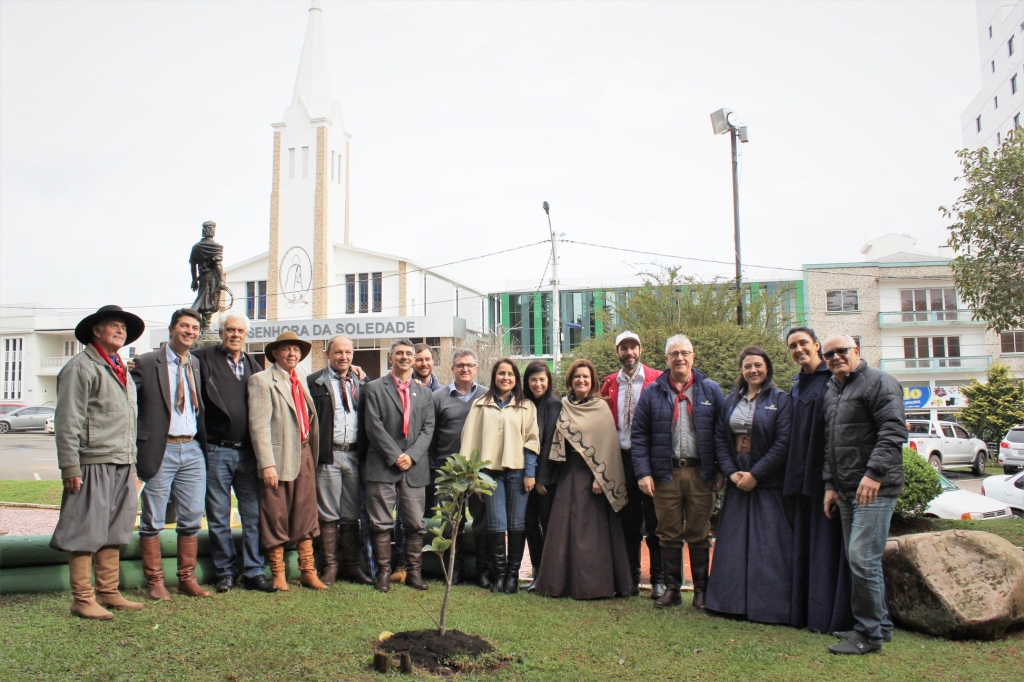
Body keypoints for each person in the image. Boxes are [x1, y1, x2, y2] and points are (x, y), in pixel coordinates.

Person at [50, 305, 146, 619]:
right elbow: (67, 421)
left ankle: (108, 592)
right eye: (114, 326)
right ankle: (82, 598)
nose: (120, 331)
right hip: (92, 461)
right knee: (85, 529)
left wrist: (131, 462)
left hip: (121, 461)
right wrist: (70, 466)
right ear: (97, 331)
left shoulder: (121, 369)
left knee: (115, 529)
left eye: (123, 328)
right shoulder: (82, 367)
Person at [822, 334, 907, 655]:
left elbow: (894, 430)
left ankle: (868, 635)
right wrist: (830, 485)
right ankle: (880, 627)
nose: (835, 358)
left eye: (841, 351)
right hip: (845, 490)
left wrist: (874, 475)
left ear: (857, 351)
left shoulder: (880, 382)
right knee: (859, 559)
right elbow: (831, 443)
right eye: (828, 354)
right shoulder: (833, 390)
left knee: (863, 559)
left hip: (875, 489)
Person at [631, 334, 725, 610]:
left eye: (685, 353)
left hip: (701, 473)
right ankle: (672, 589)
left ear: (693, 357)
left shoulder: (711, 390)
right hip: (666, 474)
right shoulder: (652, 392)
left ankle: (701, 591)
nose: (680, 358)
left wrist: (720, 469)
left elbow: (722, 433)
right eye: (674, 353)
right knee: (668, 532)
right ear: (666, 359)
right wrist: (643, 473)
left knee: (699, 532)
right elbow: (639, 436)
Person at [705, 346, 793, 623]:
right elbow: (720, 439)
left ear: (767, 367)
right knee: (733, 546)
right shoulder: (731, 401)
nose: (753, 370)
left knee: (767, 547)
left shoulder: (781, 400)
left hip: (766, 485)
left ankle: (768, 608)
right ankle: (728, 603)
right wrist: (731, 473)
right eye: (747, 366)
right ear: (741, 370)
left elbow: (783, 443)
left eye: (758, 365)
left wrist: (756, 475)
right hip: (736, 483)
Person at [192, 314, 277, 594]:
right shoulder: (202, 359)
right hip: (217, 450)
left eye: (240, 330)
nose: (235, 335)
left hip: (248, 453)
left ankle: (253, 571)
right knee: (218, 514)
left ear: (246, 335)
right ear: (221, 333)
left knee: (252, 515)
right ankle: (224, 571)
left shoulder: (254, 366)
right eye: (230, 330)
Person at [533, 359, 631, 600]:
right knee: (563, 531)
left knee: (591, 534)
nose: (581, 380)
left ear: (593, 380)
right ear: (570, 380)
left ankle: (593, 585)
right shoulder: (563, 405)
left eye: (586, 377)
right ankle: (560, 583)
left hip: (593, 477)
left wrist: (601, 478)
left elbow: (608, 446)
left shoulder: (600, 408)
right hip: (568, 474)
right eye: (577, 377)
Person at [132, 308, 211, 600]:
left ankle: (186, 579)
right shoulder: (146, 363)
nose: (189, 331)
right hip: (159, 449)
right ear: (171, 329)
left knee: (191, 517)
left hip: (192, 449)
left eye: (194, 328)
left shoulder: (197, 364)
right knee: (153, 518)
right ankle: (155, 582)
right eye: (184, 326)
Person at [782, 326, 853, 633]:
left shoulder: (834, 382)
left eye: (803, 343)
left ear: (816, 345)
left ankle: (830, 617)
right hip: (800, 477)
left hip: (824, 478)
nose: (798, 349)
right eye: (792, 346)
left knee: (827, 548)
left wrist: (831, 482)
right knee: (805, 547)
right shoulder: (797, 383)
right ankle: (805, 613)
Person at [248, 331, 326, 591]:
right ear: (275, 353)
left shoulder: (301, 377)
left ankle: (307, 569)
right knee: (276, 512)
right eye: (287, 350)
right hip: (277, 458)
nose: (292, 354)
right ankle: (278, 572)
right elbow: (258, 426)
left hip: (303, 452)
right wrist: (266, 464)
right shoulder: (261, 381)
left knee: (305, 511)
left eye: (296, 350)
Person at [459, 359, 540, 594]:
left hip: (518, 473)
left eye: (510, 374)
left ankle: (512, 577)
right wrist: (473, 478)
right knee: (496, 524)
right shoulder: (480, 405)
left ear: (516, 378)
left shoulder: (526, 407)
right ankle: (499, 574)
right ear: (494, 377)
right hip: (489, 475)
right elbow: (469, 443)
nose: (506, 378)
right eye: (501, 374)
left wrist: (530, 473)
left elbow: (532, 441)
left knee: (516, 523)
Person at [363, 338, 435, 592]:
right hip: (382, 466)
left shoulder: (425, 393)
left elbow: (428, 430)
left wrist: (412, 455)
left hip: (414, 468)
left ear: (414, 359)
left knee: (415, 523)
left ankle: (414, 572)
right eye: (399, 353)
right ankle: (383, 573)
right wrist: (395, 455)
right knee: (381, 522)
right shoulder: (373, 389)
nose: (405, 357)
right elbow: (373, 427)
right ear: (390, 358)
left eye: (409, 354)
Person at [599, 330, 665, 599]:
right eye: (623, 348)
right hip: (622, 458)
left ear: (641, 350)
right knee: (629, 522)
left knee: (655, 522)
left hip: (650, 459)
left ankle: (659, 579)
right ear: (617, 352)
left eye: (633, 347)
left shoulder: (657, 380)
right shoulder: (609, 383)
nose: (629, 352)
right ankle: (631, 579)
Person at [306, 334, 372, 586]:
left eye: (348, 353)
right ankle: (331, 566)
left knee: (350, 513)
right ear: (327, 354)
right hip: (328, 455)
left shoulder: (363, 382)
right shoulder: (314, 382)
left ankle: (353, 566)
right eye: (338, 352)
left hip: (355, 455)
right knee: (329, 514)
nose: (343, 357)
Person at [428, 348, 488, 587]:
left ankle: (483, 572)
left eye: (470, 365)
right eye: (460, 365)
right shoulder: (438, 397)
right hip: (448, 470)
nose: (465, 369)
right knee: (453, 522)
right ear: (452, 369)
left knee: (483, 523)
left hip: (478, 471)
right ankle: (454, 571)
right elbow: (430, 435)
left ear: (476, 369)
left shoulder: (486, 396)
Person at [522, 361, 563, 592]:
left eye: (542, 379)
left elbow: (548, 443)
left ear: (548, 381)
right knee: (529, 524)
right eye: (533, 379)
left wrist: (540, 479)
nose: (538, 384)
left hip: (544, 479)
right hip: (524, 476)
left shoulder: (553, 405)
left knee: (546, 525)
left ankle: (548, 572)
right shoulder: (525, 404)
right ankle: (537, 568)